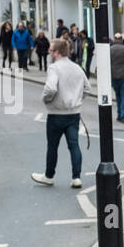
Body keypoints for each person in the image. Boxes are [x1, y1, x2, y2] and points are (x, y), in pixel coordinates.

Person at [31, 38, 87, 189]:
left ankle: (49, 176)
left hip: (56, 114)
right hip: (73, 114)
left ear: (56, 53)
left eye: (50, 50)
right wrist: (76, 100)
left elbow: (50, 89)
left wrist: (46, 100)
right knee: (74, 145)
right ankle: (76, 177)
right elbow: (87, 89)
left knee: (52, 146)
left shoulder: (54, 68)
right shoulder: (77, 68)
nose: (49, 52)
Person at [110, 34, 124, 123]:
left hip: (114, 76)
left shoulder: (110, 49)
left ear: (114, 39)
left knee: (118, 95)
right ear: (121, 39)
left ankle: (119, 114)